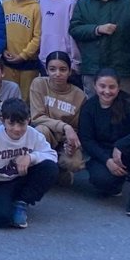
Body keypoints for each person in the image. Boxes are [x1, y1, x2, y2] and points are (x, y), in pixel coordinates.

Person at [79, 68, 130, 218]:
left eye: (112, 87)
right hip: (105, 154)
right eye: (102, 86)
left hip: (129, 151)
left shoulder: (128, 103)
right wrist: (107, 160)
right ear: (95, 86)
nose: (107, 91)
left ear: (118, 87)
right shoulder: (89, 107)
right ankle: (115, 184)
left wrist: (121, 145)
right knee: (101, 179)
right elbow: (87, 140)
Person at [0, 98, 58, 229]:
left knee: (50, 168)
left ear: (28, 120)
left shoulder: (33, 134)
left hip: (20, 178)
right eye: (11, 124)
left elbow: (52, 155)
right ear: (2, 121)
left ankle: (22, 202)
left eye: (22, 124)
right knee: (2, 219)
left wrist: (30, 157)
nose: (17, 129)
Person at [29, 52, 86, 186]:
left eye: (63, 69)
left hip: (65, 138)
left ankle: (58, 169)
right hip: (45, 133)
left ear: (70, 71)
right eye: (52, 69)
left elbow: (76, 128)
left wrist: (69, 145)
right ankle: (41, 169)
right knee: (41, 130)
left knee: (75, 163)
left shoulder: (79, 95)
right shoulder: (39, 84)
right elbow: (37, 117)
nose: (57, 74)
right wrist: (65, 126)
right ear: (46, 70)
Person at [1, 0, 42, 101]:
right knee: (8, 97)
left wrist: (23, 55)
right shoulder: (5, 5)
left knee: (25, 99)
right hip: (8, 60)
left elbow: (38, 36)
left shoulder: (36, 8)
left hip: (28, 63)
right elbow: (0, 31)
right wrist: (3, 49)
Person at [38, 0, 79, 72]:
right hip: (44, 55)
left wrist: (75, 60)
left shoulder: (71, 2)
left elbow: (73, 32)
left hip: (64, 57)